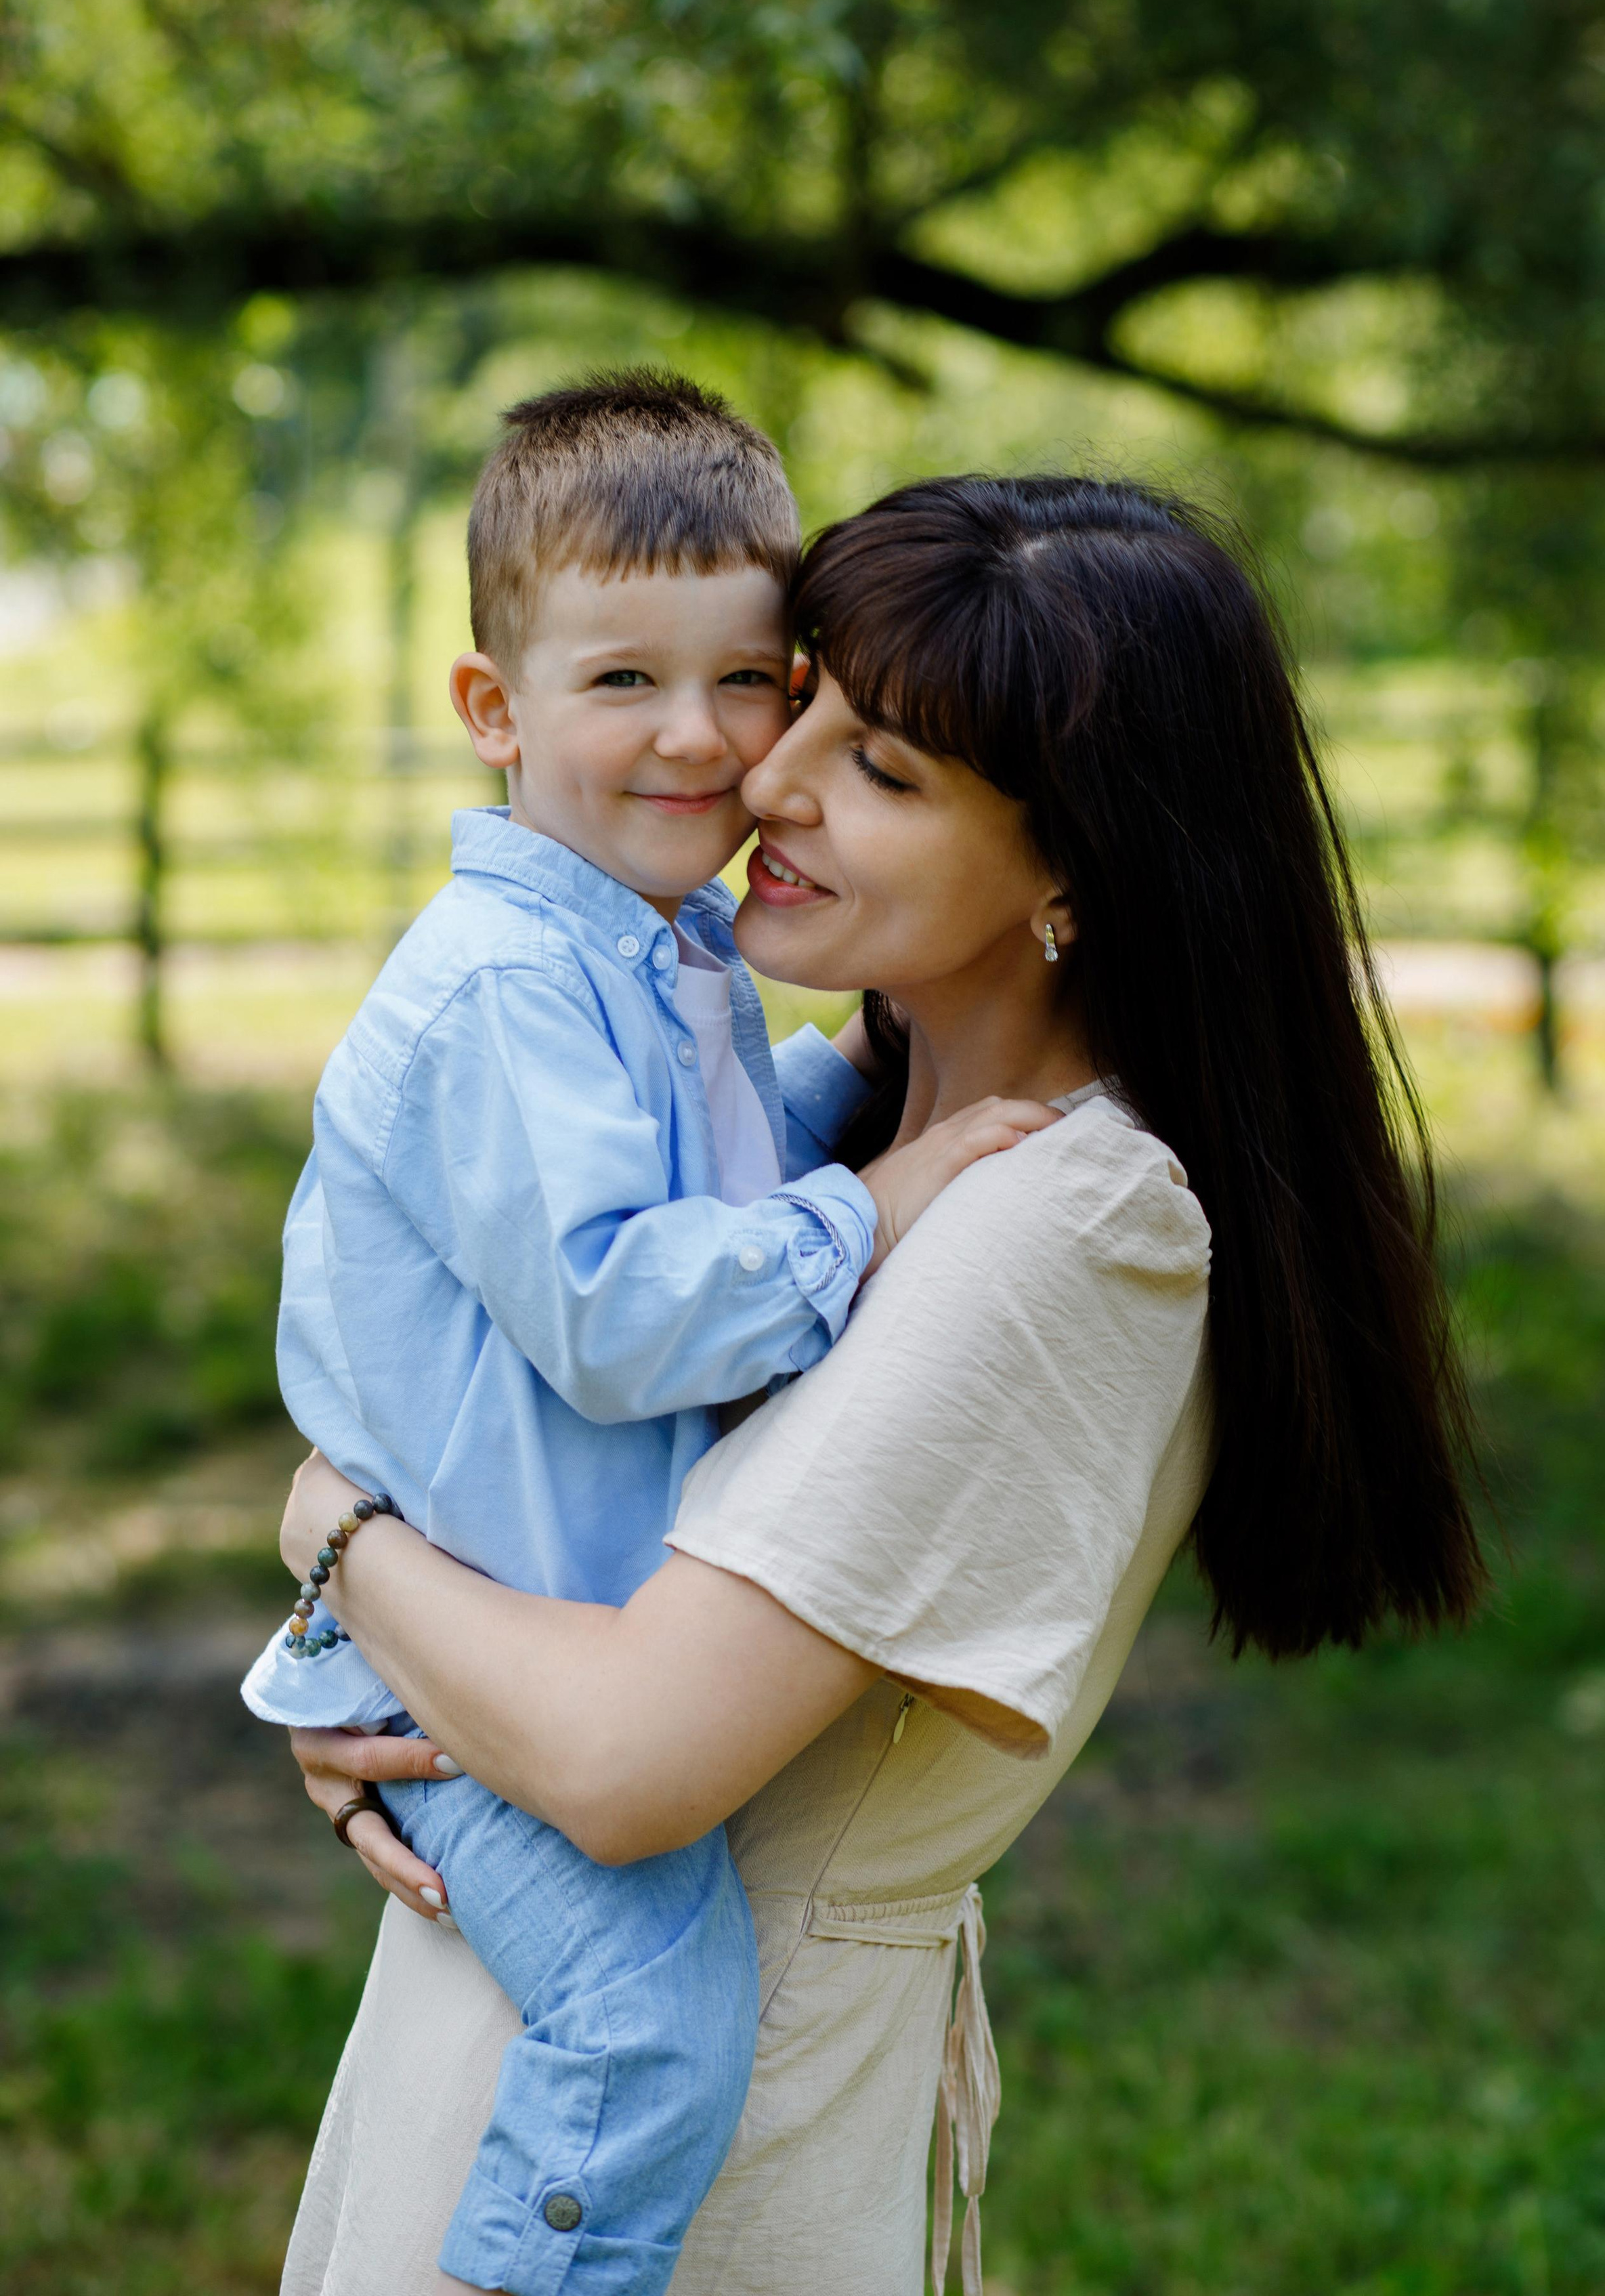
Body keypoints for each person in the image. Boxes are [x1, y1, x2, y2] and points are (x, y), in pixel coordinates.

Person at [275, 475, 1485, 2296]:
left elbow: (618, 1762)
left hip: (686, 2166)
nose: (767, 777)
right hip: (512, 2042)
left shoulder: (1064, 1222)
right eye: (810, 698)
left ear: (1078, 864)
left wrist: (334, 1530)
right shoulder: (836, 1118)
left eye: (886, 771)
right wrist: (395, 1675)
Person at [240, 385, 1048, 2296]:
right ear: (495, 710)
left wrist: (858, 1081)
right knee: (646, 2023)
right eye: (621, 681)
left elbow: (703, 1173)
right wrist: (878, 1205)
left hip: (518, 1605)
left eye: (749, 679)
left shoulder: (636, 944)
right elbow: (616, 1311)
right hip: (481, 1659)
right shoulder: (509, 990)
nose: (698, 737)